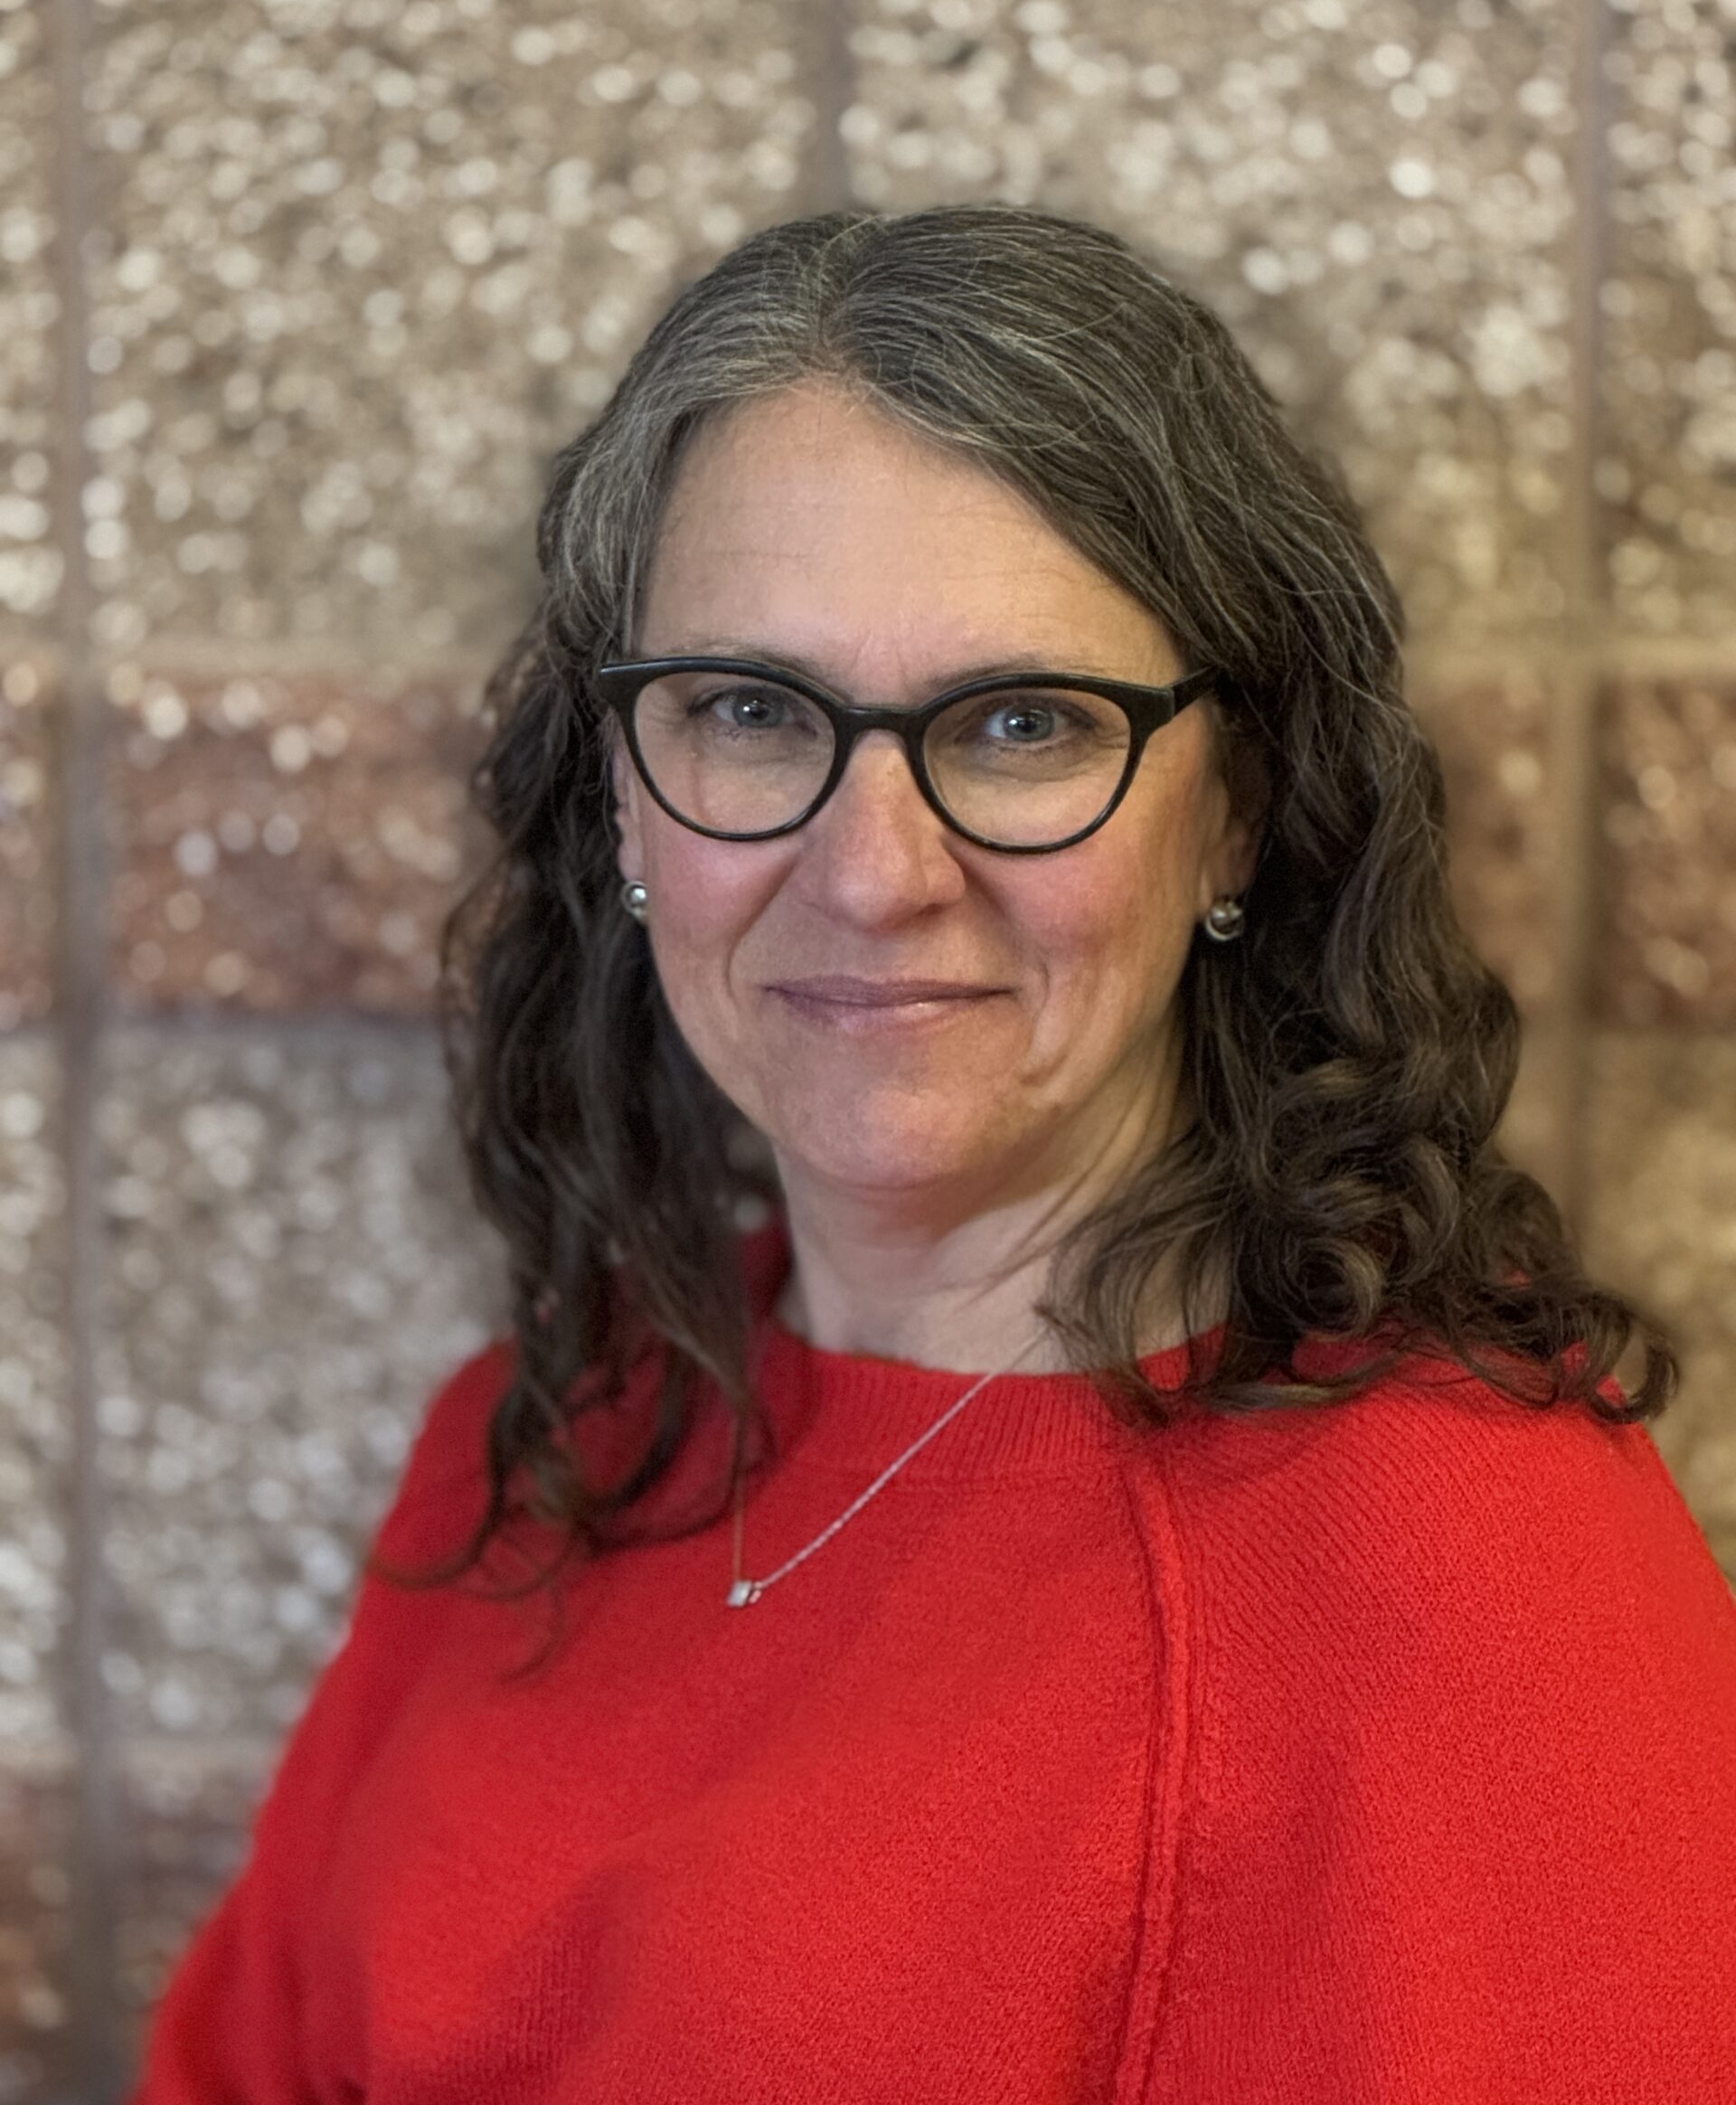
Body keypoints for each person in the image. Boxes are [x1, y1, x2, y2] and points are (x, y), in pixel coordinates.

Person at [130, 204, 1736, 2102]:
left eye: (1025, 722)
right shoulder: (564, 1432)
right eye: (747, 710)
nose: (877, 872)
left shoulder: (1454, 1579)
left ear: (1239, 814)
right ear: (624, 797)